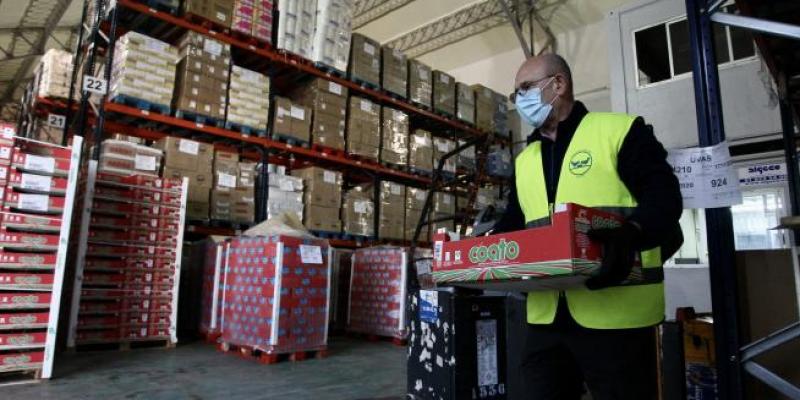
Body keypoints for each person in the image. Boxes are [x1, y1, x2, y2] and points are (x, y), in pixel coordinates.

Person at [493, 54, 684, 399]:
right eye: (515, 94)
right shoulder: (524, 161)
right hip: (546, 316)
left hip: (616, 318)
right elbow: (513, 223)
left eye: (525, 88)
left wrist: (633, 232)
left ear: (559, 84)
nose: (519, 100)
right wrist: (476, 259)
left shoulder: (620, 131)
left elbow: (664, 198)